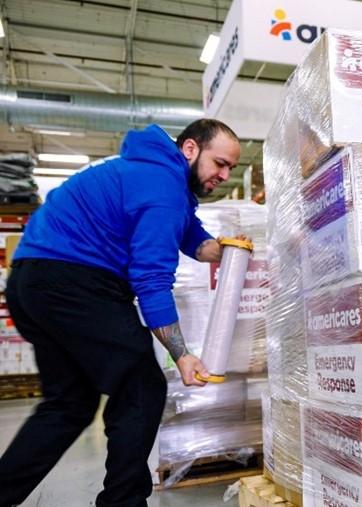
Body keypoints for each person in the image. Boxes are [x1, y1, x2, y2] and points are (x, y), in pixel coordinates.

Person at [0, 119, 242, 507]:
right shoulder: (164, 187)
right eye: (220, 163)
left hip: (32, 282)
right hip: (76, 282)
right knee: (141, 387)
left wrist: (218, 249)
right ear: (190, 149)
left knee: (69, 404)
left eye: (231, 168)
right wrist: (181, 354)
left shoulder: (153, 174)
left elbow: (187, 231)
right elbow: (151, 279)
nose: (225, 175)